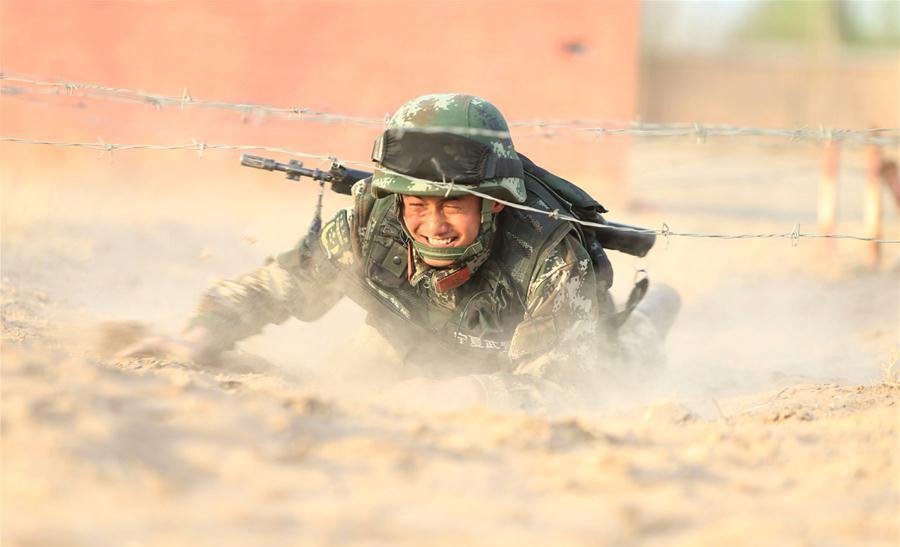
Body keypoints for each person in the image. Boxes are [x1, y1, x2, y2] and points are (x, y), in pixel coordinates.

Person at [121, 94, 678, 410]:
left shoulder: (552, 256)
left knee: (621, 357)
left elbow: (565, 389)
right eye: (415, 205)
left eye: (453, 206)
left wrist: (466, 393)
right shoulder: (370, 224)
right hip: (421, 336)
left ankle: (657, 311)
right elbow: (275, 287)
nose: (432, 226)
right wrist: (195, 336)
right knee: (347, 381)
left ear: (496, 206)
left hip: (537, 347)